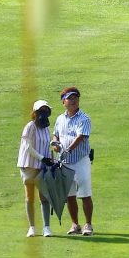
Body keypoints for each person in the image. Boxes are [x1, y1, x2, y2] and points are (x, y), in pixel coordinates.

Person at [53, 86, 94, 235]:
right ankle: (75, 224)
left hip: (80, 161)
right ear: (63, 101)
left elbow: (80, 136)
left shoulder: (84, 118)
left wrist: (68, 150)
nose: (73, 100)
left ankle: (88, 225)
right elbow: (56, 134)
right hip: (65, 163)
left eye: (75, 97)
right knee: (70, 195)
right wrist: (55, 144)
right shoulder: (60, 119)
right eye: (70, 98)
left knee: (85, 193)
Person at [17, 99, 54, 238]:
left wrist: (49, 159)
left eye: (46, 111)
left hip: (42, 167)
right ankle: (32, 227)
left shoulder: (46, 129)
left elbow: (46, 146)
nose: (43, 113)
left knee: (44, 197)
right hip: (29, 166)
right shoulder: (30, 127)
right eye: (41, 111)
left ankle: (46, 227)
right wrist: (41, 158)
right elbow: (28, 147)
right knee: (29, 197)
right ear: (35, 112)